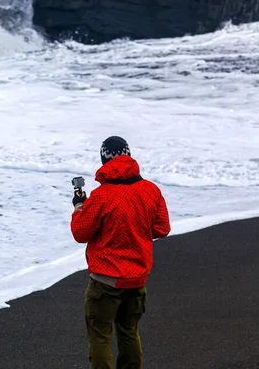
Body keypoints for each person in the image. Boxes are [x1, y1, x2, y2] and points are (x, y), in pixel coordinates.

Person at [70, 136, 171, 369]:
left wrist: (79, 208)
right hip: (136, 277)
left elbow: (80, 232)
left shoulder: (102, 195)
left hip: (106, 279)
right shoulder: (150, 190)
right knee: (128, 332)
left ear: (104, 160)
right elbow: (162, 228)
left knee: (100, 335)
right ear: (129, 156)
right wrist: (135, 228)